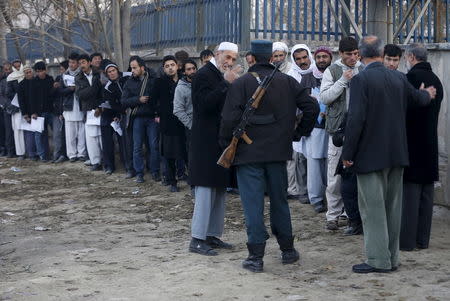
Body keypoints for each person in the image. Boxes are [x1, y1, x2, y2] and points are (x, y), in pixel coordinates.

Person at [220, 40, 319, 272]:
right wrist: (298, 133)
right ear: (273, 58)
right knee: (280, 202)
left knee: (253, 206)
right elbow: (311, 108)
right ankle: (287, 250)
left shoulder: (241, 83)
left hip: (247, 155)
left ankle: (255, 257)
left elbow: (227, 121)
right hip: (278, 152)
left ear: (250, 58)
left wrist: (227, 145)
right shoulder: (288, 82)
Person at [342, 36, 436, 274]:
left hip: (369, 156)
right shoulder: (398, 77)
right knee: (393, 210)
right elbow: (418, 98)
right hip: (397, 154)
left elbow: (355, 121)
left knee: (372, 211)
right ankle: (392, 258)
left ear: (361, 55)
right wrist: (429, 94)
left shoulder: (361, 80)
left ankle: (377, 260)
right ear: (382, 53)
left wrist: (347, 154)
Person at [189, 41, 241, 256]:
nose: (229, 63)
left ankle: (212, 235)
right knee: (205, 189)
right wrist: (226, 84)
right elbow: (204, 105)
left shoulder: (219, 75)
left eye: (233, 60)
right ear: (217, 54)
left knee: (219, 189)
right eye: (227, 58)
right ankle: (197, 238)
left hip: (220, 141)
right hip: (204, 141)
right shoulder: (203, 75)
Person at [400, 44, 444, 251]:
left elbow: (404, 109)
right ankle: (422, 241)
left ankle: (407, 242)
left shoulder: (410, 79)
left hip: (411, 143)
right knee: (426, 196)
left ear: (410, 57)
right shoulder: (437, 81)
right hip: (430, 143)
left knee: (410, 196)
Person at [319, 37, 363, 231]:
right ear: (341, 54)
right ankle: (333, 216)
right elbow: (325, 97)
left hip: (359, 130)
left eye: (355, 54)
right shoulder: (332, 70)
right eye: (349, 54)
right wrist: (343, 80)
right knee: (335, 177)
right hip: (338, 130)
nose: (353, 58)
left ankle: (349, 213)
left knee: (355, 176)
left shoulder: (364, 69)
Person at [299, 46, 332, 213]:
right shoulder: (307, 78)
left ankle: (331, 200)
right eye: (318, 57)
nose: (321, 60)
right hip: (314, 127)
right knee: (314, 163)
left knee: (331, 164)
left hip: (332, 127)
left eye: (324, 57)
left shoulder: (334, 74)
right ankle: (317, 199)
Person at [121, 56, 160, 183]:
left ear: (142, 67)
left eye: (134, 68)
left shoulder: (153, 80)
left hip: (152, 117)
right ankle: (139, 172)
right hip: (137, 118)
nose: (132, 70)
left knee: (153, 146)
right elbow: (123, 101)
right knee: (137, 146)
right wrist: (138, 99)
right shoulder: (129, 82)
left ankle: (155, 171)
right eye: (131, 68)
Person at [153, 55, 187, 192]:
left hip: (184, 122)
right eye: (167, 66)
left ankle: (188, 177)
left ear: (177, 66)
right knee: (170, 154)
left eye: (172, 65)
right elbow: (152, 101)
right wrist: (157, 114)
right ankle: (172, 181)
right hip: (168, 123)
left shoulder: (184, 81)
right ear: (164, 69)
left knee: (186, 152)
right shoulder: (159, 82)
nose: (170, 68)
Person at [286, 44, 315, 203]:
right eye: (298, 59)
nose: (302, 61)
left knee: (316, 158)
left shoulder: (318, 71)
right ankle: (303, 190)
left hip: (316, 122)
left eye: (305, 57)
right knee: (299, 158)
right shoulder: (291, 76)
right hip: (298, 121)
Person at [101, 61, 132, 175]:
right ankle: (124, 166)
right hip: (120, 114)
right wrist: (119, 113)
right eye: (109, 72)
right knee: (121, 142)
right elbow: (113, 104)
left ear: (117, 70)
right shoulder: (108, 87)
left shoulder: (128, 76)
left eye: (113, 70)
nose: (112, 73)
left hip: (135, 109)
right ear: (107, 74)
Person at [75, 53, 103, 171]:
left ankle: (106, 161)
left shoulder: (99, 74)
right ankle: (95, 162)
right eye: (80, 63)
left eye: (84, 62)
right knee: (91, 138)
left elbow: (103, 92)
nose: (82, 65)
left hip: (101, 109)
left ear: (89, 63)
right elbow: (80, 95)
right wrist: (94, 88)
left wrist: (100, 107)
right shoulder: (78, 77)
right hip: (88, 110)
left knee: (102, 137)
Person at [61, 52, 87, 163]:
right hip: (69, 107)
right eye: (70, 62)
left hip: (81, 106)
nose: (71, 65)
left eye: (73, 62)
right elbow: (60, 92)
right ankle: (71, 154)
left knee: (81, 132)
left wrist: (78, 88)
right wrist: (69, 89)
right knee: (70, 133)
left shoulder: (83, 74)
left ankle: (81, 153)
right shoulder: (64, 75)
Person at [31, 61, 54, 162]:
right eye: (38, 71)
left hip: (51, 111)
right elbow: (31, 99)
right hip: (38, 113)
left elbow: (53, 95)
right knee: (39, 135)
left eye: (42, 71)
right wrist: (33, 112)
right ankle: (42, 155)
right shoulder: (33, 81)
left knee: (55, 133)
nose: (40, 73)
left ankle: (55, 153)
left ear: (45, 70)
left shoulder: (50, 79)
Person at [6, 60, 26, 159]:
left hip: (27, 107)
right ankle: (20, 153)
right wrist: (19, 96)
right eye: (16, 67)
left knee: (27, 129)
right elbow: (8, 92)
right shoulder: (11, 78)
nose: (18, 68)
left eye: (19, 66)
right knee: (18, 130)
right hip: (16, 107)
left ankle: (30, 152)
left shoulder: (26, 74)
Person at [17, 66, 38, 160]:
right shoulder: (21, 84)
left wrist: (37, 112)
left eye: (30, 72)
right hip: (27, 113)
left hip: (37, 113)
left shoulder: (37, 82)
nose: (29, 74)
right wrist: (25, 114)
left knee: (38, 134)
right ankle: (31, 154)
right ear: (24, 74)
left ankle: (39, 153)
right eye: (26, 72)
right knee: (29, 135)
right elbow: (21, 100)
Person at [51, 60, 68, 163]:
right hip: (57, 111)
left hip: (66, 110)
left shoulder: (71, 79)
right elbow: (53, 95)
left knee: (66, 135)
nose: (60, 71)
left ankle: (65, 154)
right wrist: (54, 87)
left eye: (62, 69)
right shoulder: (58, 79)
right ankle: (57, 154)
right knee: (57, 135)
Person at [0, 62, 14, 157]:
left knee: (16, 131)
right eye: (6, 69)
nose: (8, 71)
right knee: (7, 131)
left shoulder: (16, 79)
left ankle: (18, 151)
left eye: (9, 69)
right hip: (6, 108)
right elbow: (1, 95)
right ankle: (9, 151)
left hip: (17, 108)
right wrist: (5, 105)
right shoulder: (3, 82)